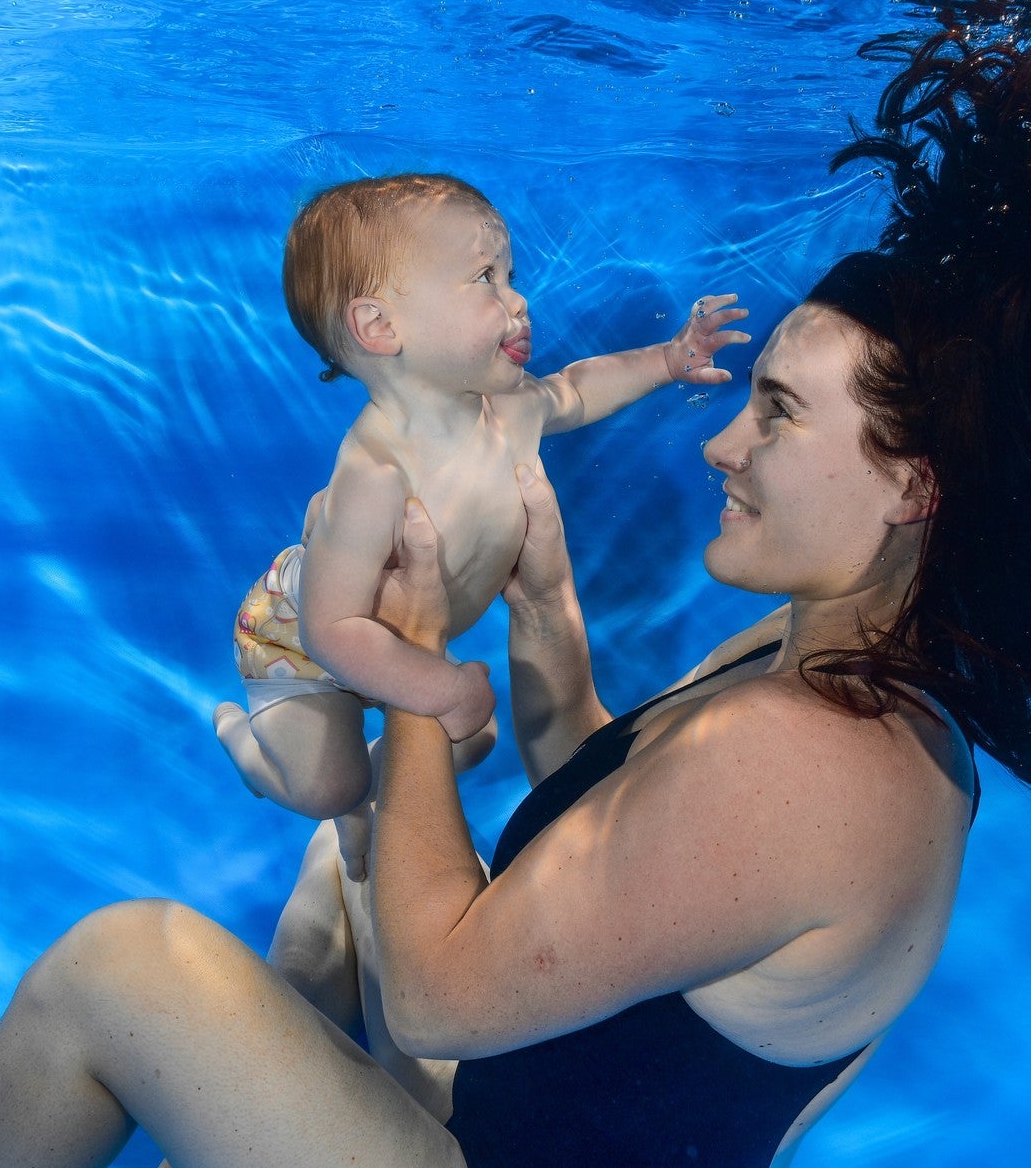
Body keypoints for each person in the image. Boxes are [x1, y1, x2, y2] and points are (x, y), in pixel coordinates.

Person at [0, 25, 1031, 1168]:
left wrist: (419, 662)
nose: (721, 445)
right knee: (340, 870)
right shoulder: (845, 668)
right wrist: (547, 604)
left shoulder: (823, 763)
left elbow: (438, 986)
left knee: (124, 966)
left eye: (776, 414)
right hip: (493, 1119)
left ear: (912, 483)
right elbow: (626, 823)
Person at [219, 173, 749, 877]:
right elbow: (333, 628)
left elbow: (576, 390)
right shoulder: (375, 472)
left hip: (397, 644)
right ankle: (247, 746)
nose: (519, 300)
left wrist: (665, 360)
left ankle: (360, 796)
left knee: (467, 744)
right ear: (381, 327)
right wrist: (438, 689)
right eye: (485, 279)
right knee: (329, 785)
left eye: (511, 274)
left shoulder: (511, 409)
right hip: (299, 638)